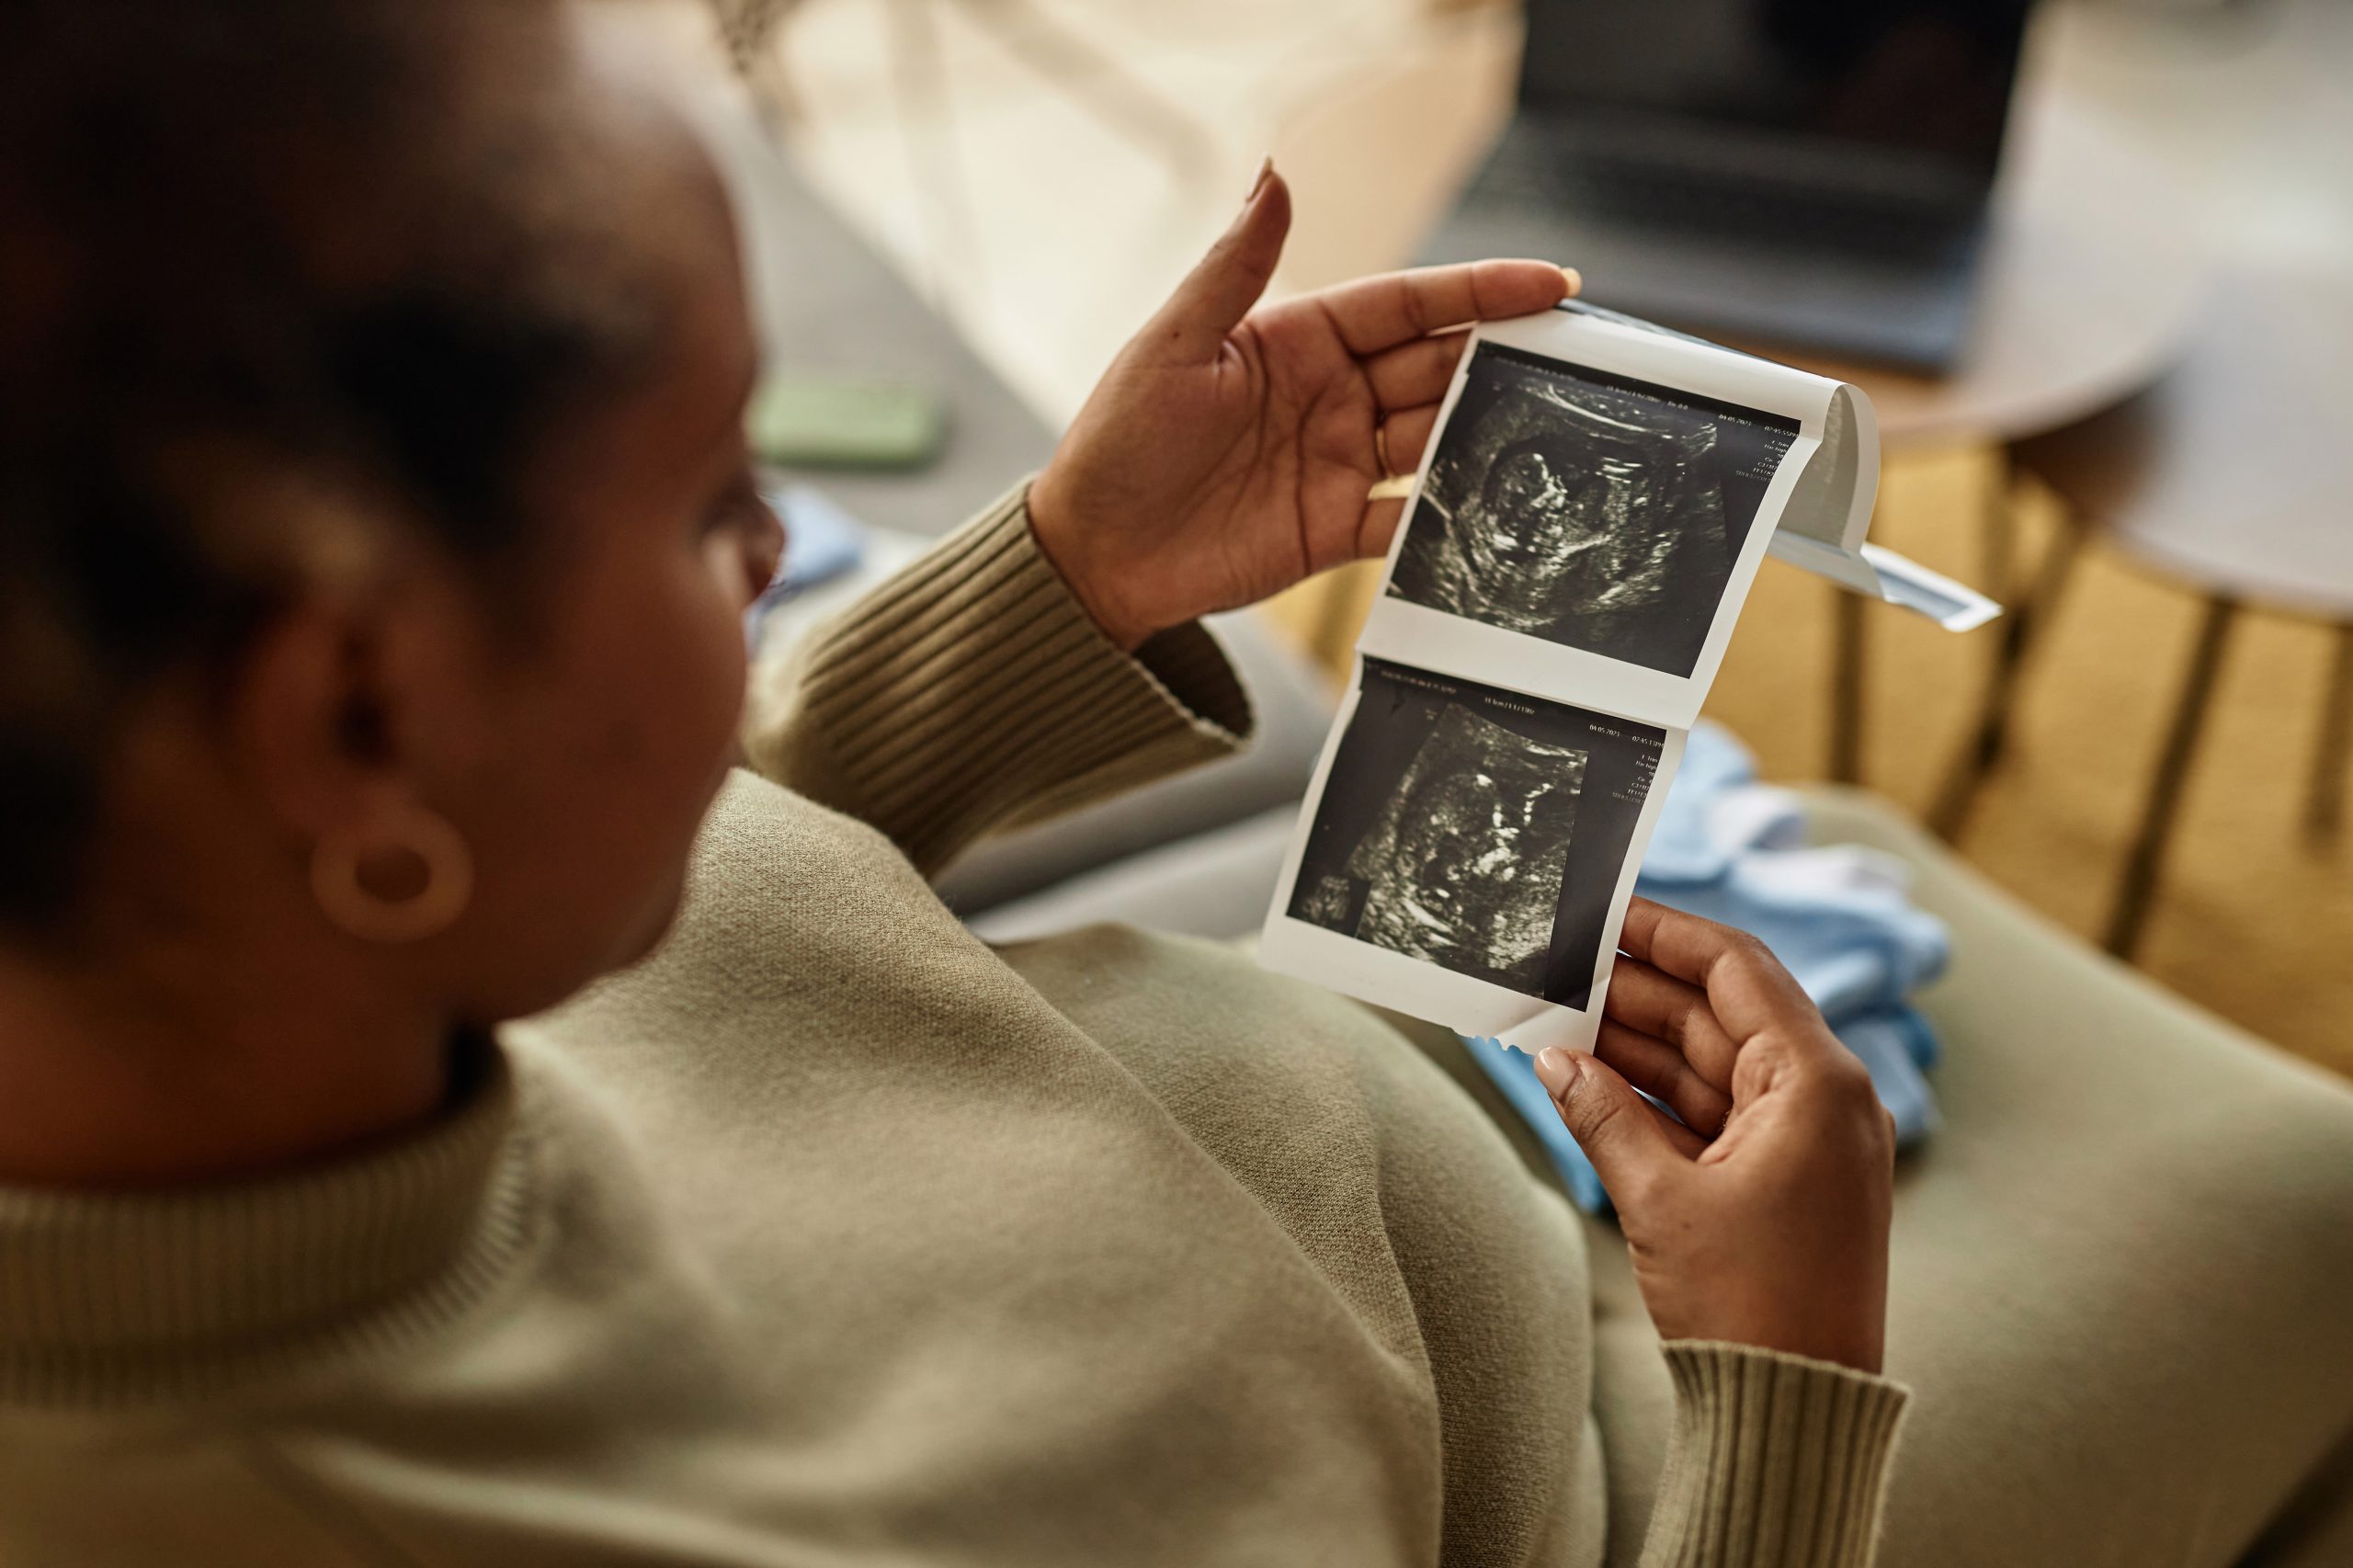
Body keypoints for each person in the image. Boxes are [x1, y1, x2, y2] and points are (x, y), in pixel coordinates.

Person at [5, 5, 2350, 1567]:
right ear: (351, 717)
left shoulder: (191, 950)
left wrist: (1062, 575)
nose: (769, 561)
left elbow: (671, 928)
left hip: (1393, 1118)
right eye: (715, 499)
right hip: (1628, 1460)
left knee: (1854, 859)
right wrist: (1780, 1385)